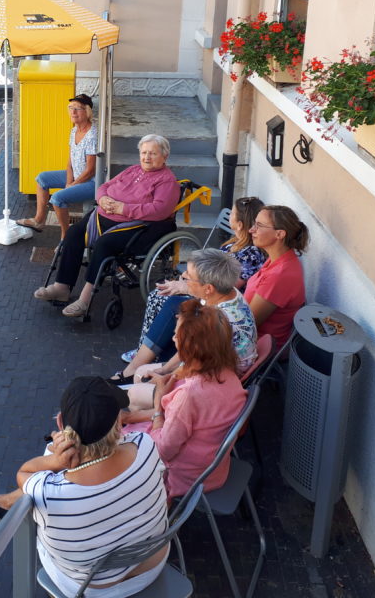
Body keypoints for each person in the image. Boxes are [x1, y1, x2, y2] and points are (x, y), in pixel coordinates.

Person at [0, 377, 169, 596]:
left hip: (93, 590)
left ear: (60, 424)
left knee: (36, 492)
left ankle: (6, 503)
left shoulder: (51, 495)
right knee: (50, 489)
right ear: (118, 423)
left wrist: (55, 461)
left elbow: (24, 474)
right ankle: (5, 502)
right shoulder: (145, 446)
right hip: (152, 566)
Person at [33, 135, 178, 317]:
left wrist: (123, 208)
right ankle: (62, 287)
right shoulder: (132, 170)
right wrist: (102, 198)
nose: (147, 157)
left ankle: (85, 299)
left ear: (165, 156)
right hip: (103, 216)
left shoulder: (167, 181)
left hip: (136, 226)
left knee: (104, 244)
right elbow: (105, 186)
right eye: (144, 153)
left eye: (153, 153)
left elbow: (160, 210)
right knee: (74, 233)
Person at [123, 196, 266, 368]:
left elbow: (225, 285)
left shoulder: (250, 253)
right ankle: (146, 353)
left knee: (161, 298)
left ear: (240, 224)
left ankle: (147, 355)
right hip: (210, 292)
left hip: (216, 297)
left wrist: (185, 286)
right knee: (161, 296)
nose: (229, 215)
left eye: (233, 213)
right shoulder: (235, 243)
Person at [123, 300, 247, 498]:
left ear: (192, 347)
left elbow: (163, 450)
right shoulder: (228, 374)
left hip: (185, 477)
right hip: (213, 468)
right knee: (126, 422)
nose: (173, 339)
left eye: (177, 335)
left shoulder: (190, 394)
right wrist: (130, 418)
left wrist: (158, 403)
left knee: (114, 446)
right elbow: (184, 421)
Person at [110, 249, 258, 384]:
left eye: (189, 276)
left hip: (214, 379)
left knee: (140, 380)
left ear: (208, 288)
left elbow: (191, 363)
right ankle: (134, 369)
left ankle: (135, 387)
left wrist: (162, 376)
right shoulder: (227, 292)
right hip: (209, 359)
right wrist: (164, 369)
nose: (183, 276)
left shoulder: (213, 321)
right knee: (175, 304)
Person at [17, 93, 97, 240]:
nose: (73, 112)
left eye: (78, 108)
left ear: (87, 112)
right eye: (71, 108)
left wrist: (73, 184)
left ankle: (65, 236)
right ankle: (39, 221)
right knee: (42, 178)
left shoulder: (92, 135)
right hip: (76, 176)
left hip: (91, 182)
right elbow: (70, 160)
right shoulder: (74, 130)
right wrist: (68, 181)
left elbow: (91, 170)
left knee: (58, 199)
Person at [244, 204, 309, 349]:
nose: (251, 230)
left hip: (253, 347)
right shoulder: (278, 259)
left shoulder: (279, 276)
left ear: (279, 234)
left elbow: (248, 325)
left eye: (259, 225)